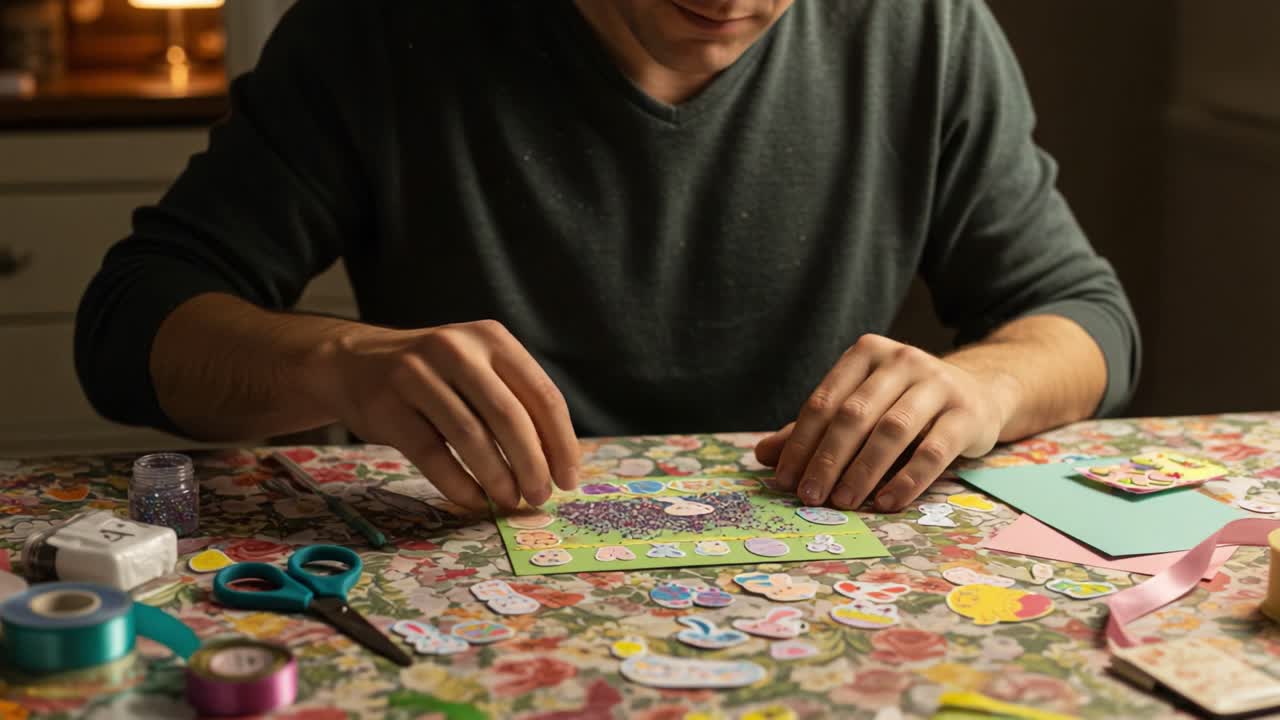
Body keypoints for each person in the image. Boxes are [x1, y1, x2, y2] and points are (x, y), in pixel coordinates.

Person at [75, 0, 1139, 515]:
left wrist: (974, 386)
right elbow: (130, 322)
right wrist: (340, 362)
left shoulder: (922, 26)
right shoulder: (375, 26)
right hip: (465, 576)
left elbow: (1077, 315)